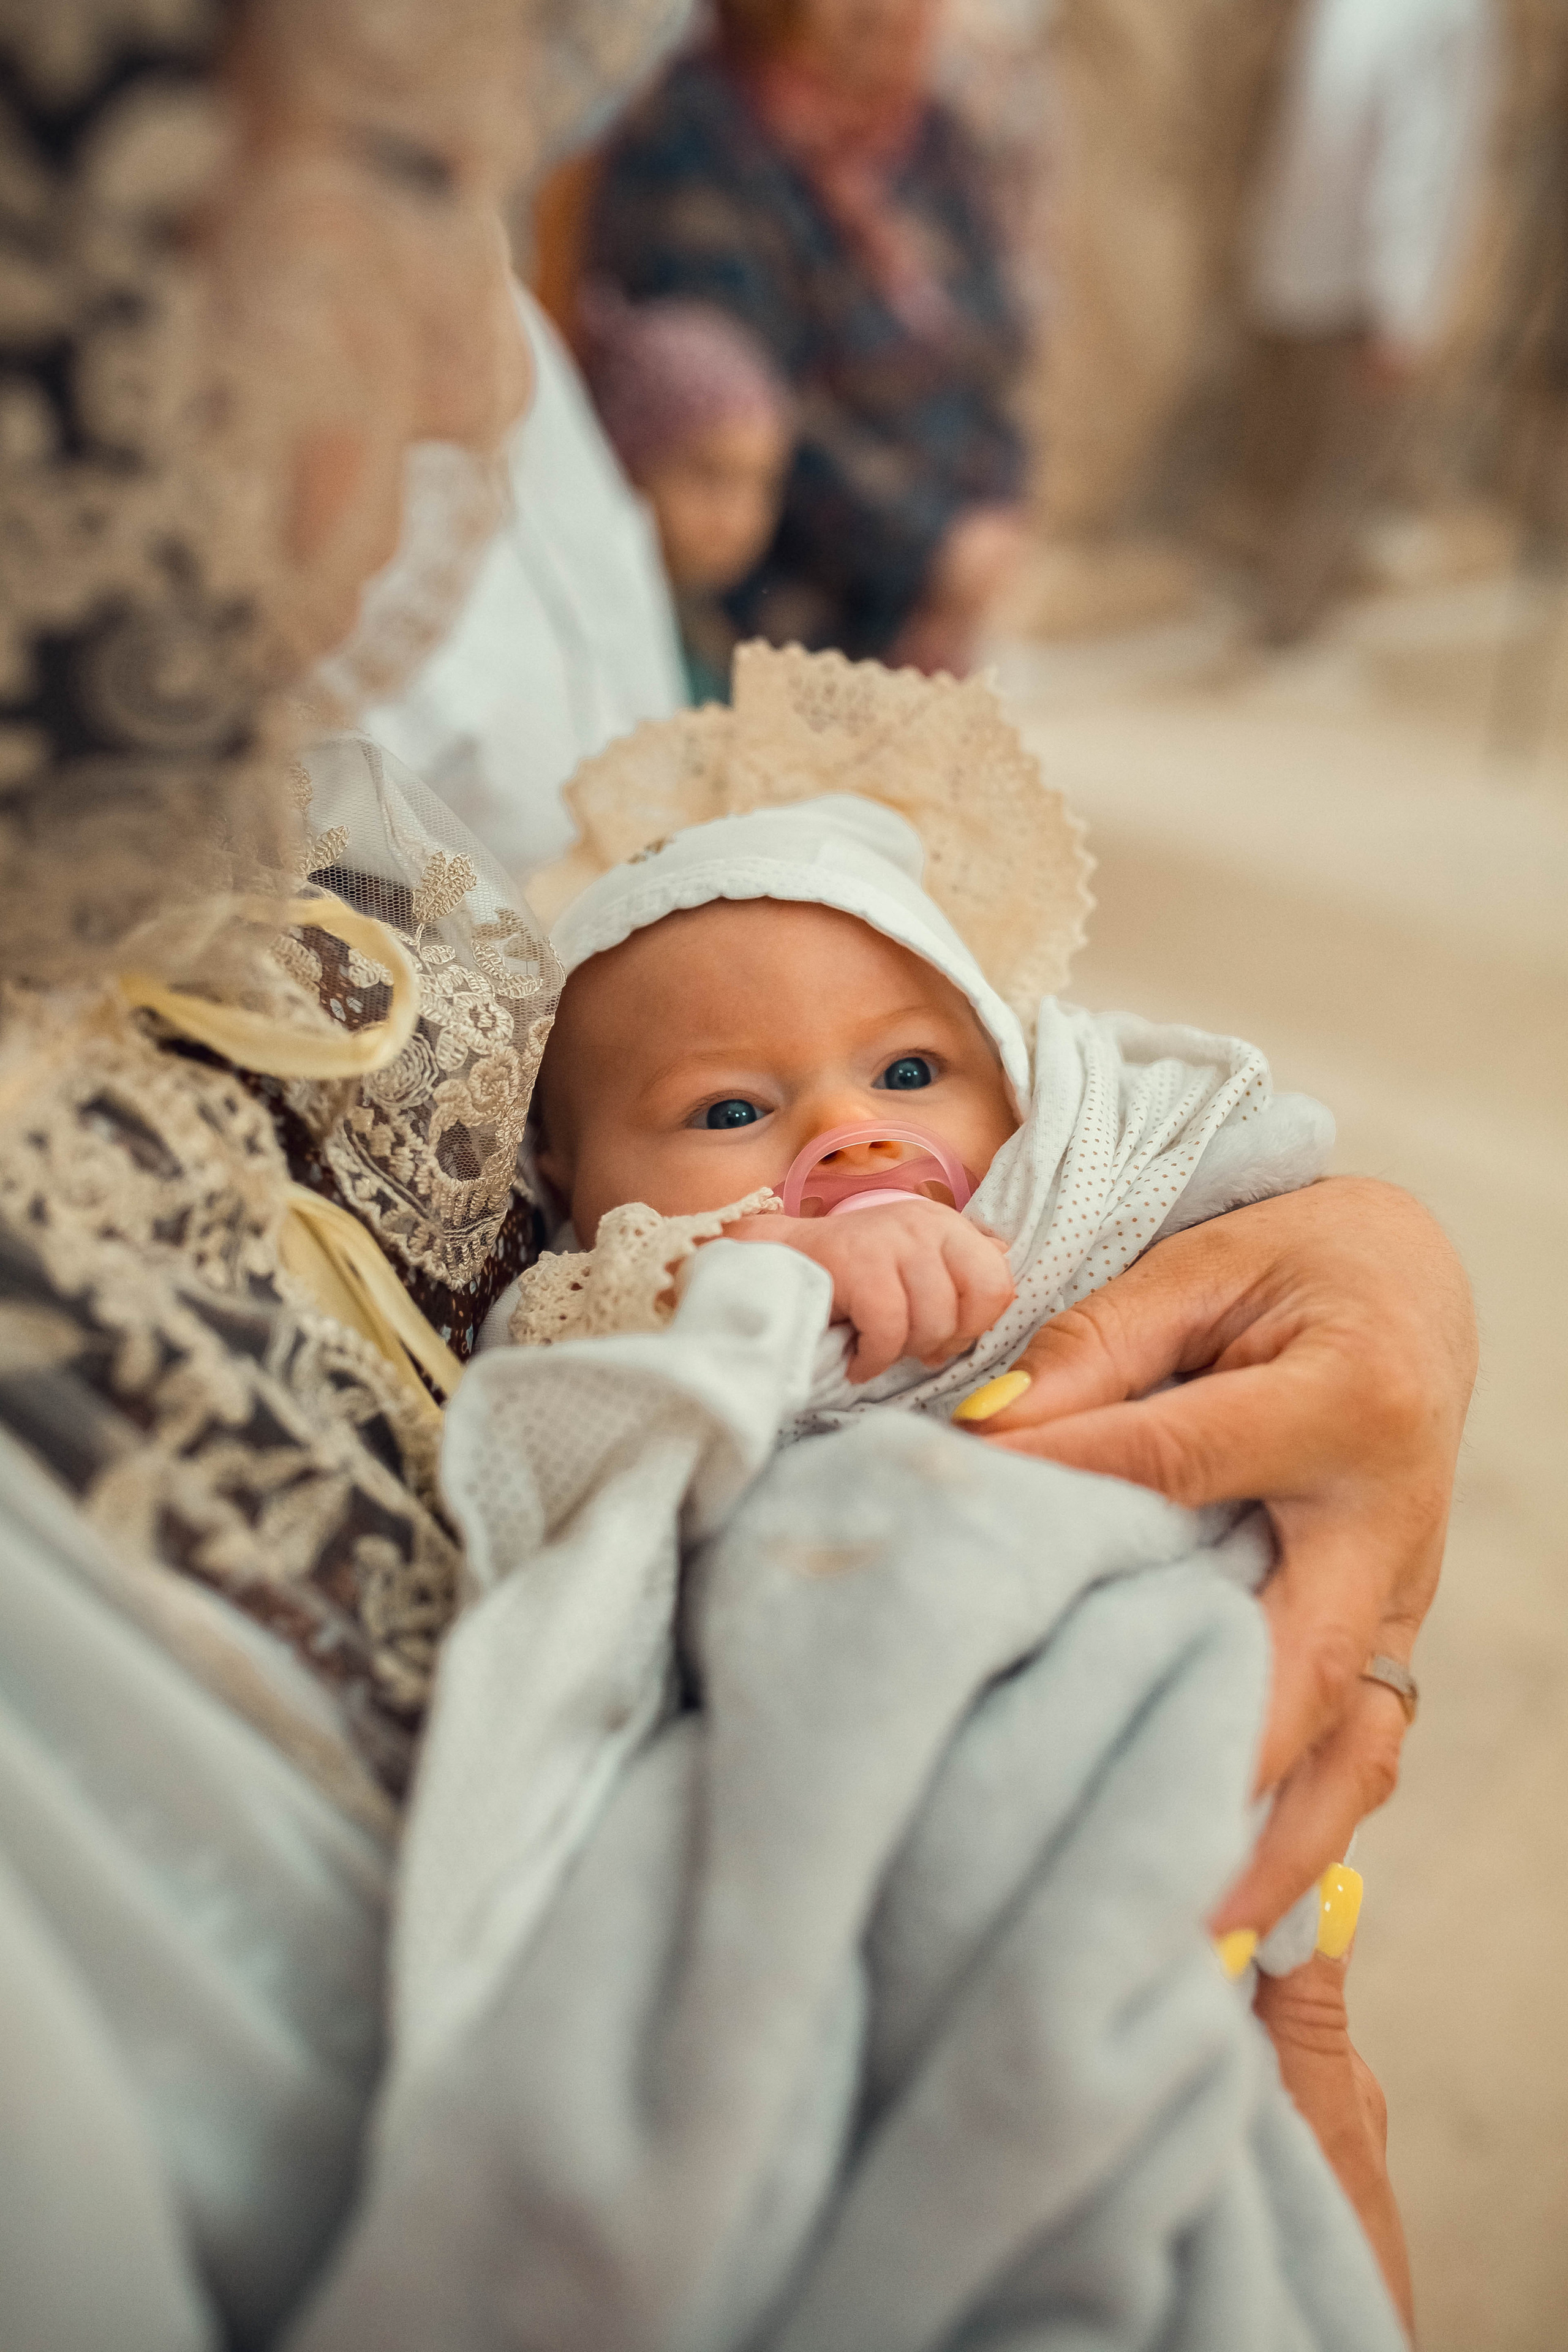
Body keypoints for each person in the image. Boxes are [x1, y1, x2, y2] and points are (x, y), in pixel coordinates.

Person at [0, 0, 1471, 2342]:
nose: (480, 388)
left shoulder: (230, 822)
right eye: (404, 184)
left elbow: (1048, 1122)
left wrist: (1331, 1264)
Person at [582, 0, 1030, 673]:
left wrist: (992, 526)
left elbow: (996, 354)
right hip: (768, 609)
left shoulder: (931, 137)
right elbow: (741, 404)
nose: (883, 12)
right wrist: (929, 553)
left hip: (945, 600)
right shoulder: (695, 135)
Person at [1237, 0, 1498, 640]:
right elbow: (1422, 158)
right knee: (1338, 468)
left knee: (1307, 460)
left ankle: (1275, 606)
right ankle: (1289, 618)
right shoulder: (1450, 15)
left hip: (1298, 263)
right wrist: (1404, 309)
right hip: (1362, 284)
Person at [577, 285, 794, 703]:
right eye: (710, 478)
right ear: (627, 463)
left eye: (761, 484)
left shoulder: (707, 638)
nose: (737, 517)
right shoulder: (599, 637)